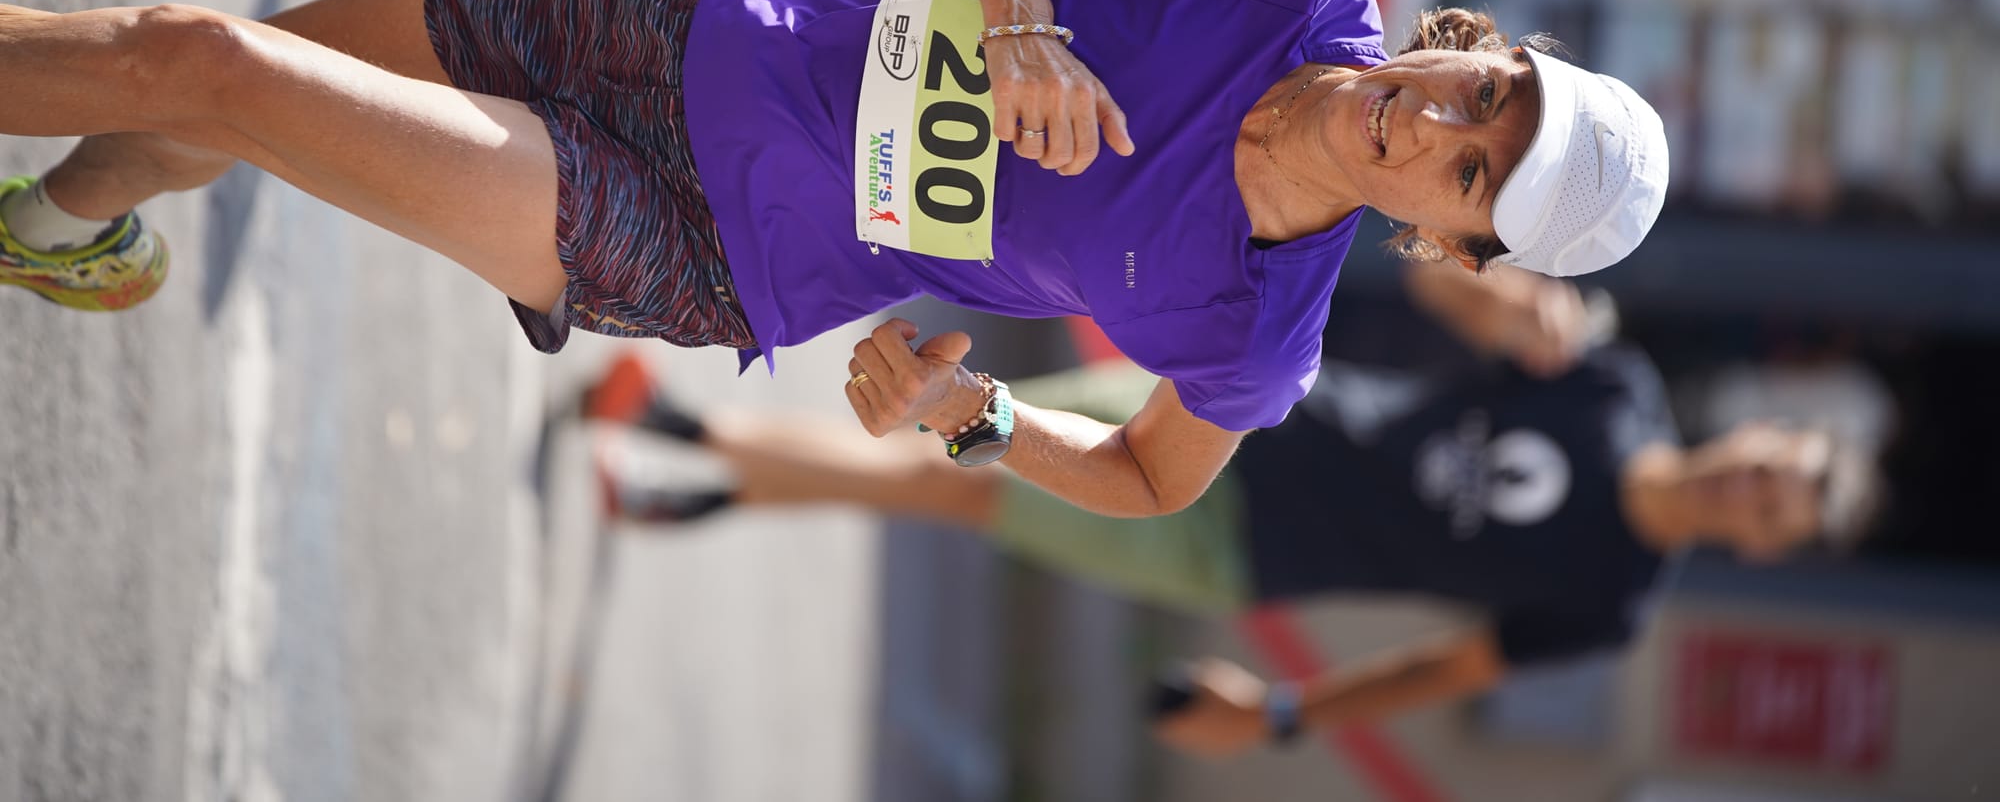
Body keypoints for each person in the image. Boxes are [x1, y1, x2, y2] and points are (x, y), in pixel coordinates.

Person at [0, 0, 1667, 517]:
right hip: (685, 0)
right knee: (200, 83)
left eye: (1471, 169)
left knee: (204, 65)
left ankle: (80, 196)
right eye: (1491, 90)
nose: (1441, 119)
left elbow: (1158, 475)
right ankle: (63, 223)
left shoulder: (1259, 333)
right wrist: (1018, 11)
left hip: (708, 241)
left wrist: (975, 414)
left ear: (1449, 242)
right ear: (1487, 49)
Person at [577, 264, 1879, 753]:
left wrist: (1286, 715)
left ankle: (686, 437)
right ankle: (695, 481)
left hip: (1224, 534)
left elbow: (1452, 663)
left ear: (1763, 547)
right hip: (1237, 408)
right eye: (1772, 461)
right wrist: (1504, 290)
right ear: (1758, 425)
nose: (1751, 484)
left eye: (1773, 509)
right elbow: (1445, 296)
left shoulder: (1610, 601)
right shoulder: (1612, 382)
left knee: (953, 468)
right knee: (949, 465)